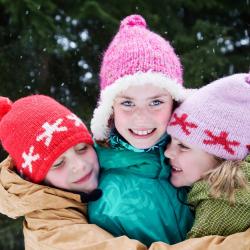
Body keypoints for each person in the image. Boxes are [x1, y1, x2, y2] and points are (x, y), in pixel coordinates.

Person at [88, 14, 193, 246]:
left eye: (156, 102)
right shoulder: (100, 187)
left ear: (174, 102)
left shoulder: (202, 155)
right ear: (110, 109)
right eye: (127, 103)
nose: (141, 117)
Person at [0, 95, 117, 249]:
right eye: (58, 163)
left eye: (82, 148)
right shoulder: (51, 234)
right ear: (34, 178)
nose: (79, 165)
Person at [165, 73, 250, 238]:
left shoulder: (223, 205)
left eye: (183, 146)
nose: (168, 152)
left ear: (222, 157)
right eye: (170, 141)